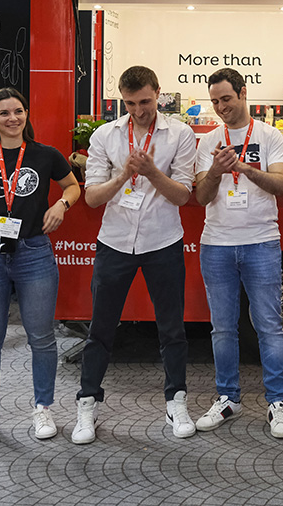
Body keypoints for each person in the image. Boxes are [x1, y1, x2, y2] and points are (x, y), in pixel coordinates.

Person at [71, 66, 198, 445]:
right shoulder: (105, 135)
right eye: (130, 104)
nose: (139, 110)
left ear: (158, 93)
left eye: (145, 101)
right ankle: (87, 403)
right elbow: (92, 198)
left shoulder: (181, 133)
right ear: (121, 101)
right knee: (100, 329)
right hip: (115, 241)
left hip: (163, 241)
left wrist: (151, 172)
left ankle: (176, 399)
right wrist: (124, 175)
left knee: (172, 328)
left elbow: (183, 195)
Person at [0, 87, 81, 445]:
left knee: (41, 338)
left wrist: (61, 206)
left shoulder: (45, 155)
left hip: (34, 252)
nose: (13, 118)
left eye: (19, 111)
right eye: (4, 113)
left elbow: (72, 187)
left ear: (27, 114)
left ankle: (43, 407)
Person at [193, 68, 283, 439]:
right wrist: (218, 173)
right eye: (215, 101)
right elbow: (200, 197)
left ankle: (277, 402)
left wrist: (245, 168)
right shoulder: (207, 142)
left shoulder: (269, 136)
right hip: (216, 243)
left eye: (227, 99)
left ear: (243, 93)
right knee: (222, 328)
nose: (221, 107)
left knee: (268, 325)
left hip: (261, 241)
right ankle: (228, 398)